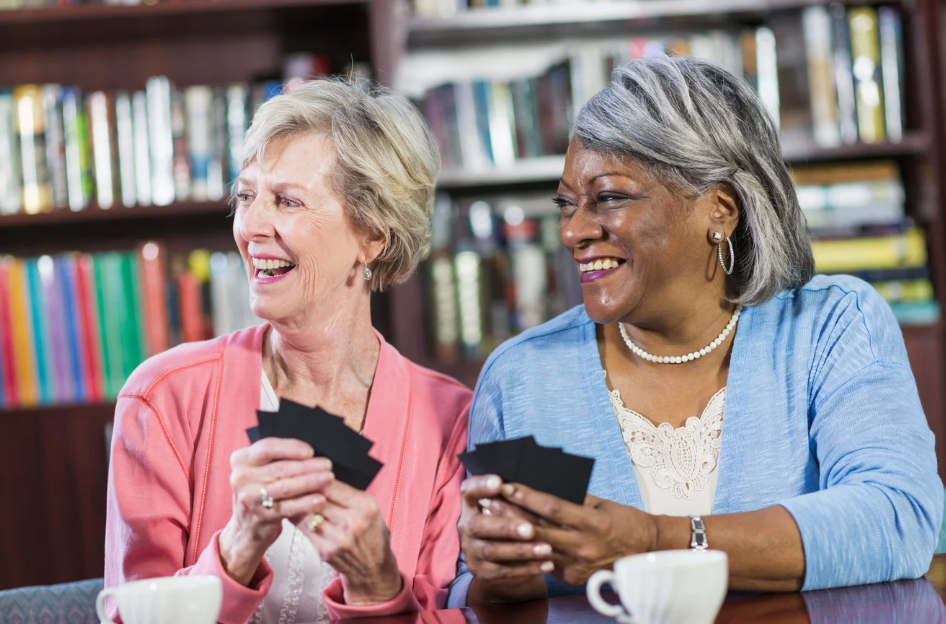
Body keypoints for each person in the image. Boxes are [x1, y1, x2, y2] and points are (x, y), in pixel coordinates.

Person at [451, 55, 944, 606]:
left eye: (608, 198)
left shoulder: (830, 327)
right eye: (567, 204)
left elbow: (899, 516)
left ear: (720, 209)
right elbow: (470, 591)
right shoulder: (522, 376)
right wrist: (500, 575)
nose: (573, 232)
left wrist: (655, 540)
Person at [105, 79, 472, 623]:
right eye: (246, 196)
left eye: (287, 200)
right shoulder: (162, 398)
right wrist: (238, 545)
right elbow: (127, 617)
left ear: (372, 235)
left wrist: (378, 587)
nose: (250, 226)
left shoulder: (451, 420)